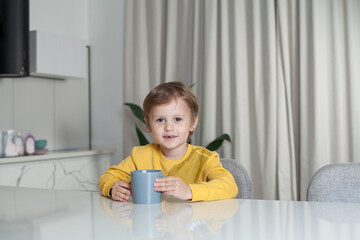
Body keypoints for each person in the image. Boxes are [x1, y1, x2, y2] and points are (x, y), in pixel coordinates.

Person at [98, 81, 238, 202]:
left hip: (190, 229)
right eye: (160, 120)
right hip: (152, 226)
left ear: (192, 123)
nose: (169, 128)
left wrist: (189, 191)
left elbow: (229, 186)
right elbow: (108, 177)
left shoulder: (206, 159)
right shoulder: (140, 155)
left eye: (177, 119)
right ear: (148, 125)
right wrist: (112, 188)